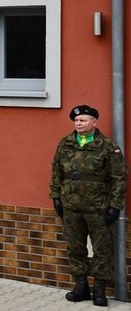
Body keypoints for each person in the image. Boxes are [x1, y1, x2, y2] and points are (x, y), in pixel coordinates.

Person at [50, 104, 128, 307]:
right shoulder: (65, 143)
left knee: (102, 250)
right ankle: (81, 287)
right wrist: (56, 197)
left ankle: (99, 291)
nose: (78, 123)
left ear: (94, 122)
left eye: (83, 120)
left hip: (98, 208)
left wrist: (115, 206)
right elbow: (57, 171)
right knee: (75, 248)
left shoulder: (107, 146)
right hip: (71, 207)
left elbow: (119, 178)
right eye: (76, 120)